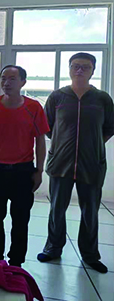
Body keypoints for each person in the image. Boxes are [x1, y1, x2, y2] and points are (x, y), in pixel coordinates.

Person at [37, 53, 114, 274]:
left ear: (93, 71)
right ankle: (53, 248)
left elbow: (110, 127)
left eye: (85, 67)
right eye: (75, 66)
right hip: (60, 163)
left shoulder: (102, 99)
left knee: (90, 212)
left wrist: (92, 144)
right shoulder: (57, 97)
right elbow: (48, 127)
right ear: (69, 69)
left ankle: (90, 255)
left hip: (92, 164)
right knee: (56, 209)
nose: (79, 70)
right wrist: (63, 143)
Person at [0, 65, 49, 267]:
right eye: (3, 78)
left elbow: (40, 140)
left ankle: (16, 262)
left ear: (23, 82)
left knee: (20, 220)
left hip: (23, 171)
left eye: (12, 79)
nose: (6, 83)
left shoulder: (33, 107)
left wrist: (39, 170)